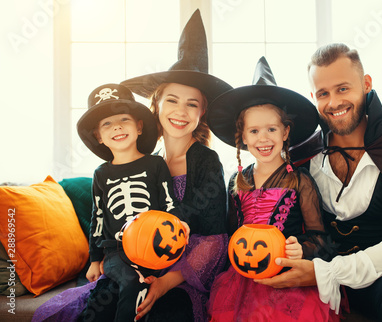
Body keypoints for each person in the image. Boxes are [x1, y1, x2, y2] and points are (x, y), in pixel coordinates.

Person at [32, 10, 232, 322]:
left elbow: (213, 239)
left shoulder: (206, 161)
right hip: (132, 265)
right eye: (172, 100)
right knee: (99, 310)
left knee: (165, 315)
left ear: (202, 111)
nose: (180, 111)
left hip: (183, 276)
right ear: (156, 104)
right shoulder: (147, 161)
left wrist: (165, 282)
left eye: (192, 103)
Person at [256, 43, 382, 321]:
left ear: (366, 84)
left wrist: (327, 272)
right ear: (313, 97)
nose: (333, 103)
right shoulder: (302, 157)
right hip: (313, 276)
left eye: (343, 89)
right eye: (323, 93)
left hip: (379, 278)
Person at [206, 57, 342, 321]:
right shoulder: (236, 182)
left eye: (271, 129)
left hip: (286, 273)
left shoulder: (300, 181)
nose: (264, 138)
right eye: (254, 131)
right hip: (243, 276)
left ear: (285, 132)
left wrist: (301, 248)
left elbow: (321, 238)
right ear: (243, 137)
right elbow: (232, 234)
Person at [75, 82, 188, 321]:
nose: (116, 126)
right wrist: (95, 260)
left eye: (123, 119)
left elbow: (169, 203)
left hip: (155, 246)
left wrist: (177, 227)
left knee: (150, 287)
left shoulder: (155, 165)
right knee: (130, 281)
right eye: (106, 123)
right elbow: (98, 218)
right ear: (99, 136)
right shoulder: (101, 174)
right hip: (117, 251)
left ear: (139, 127)